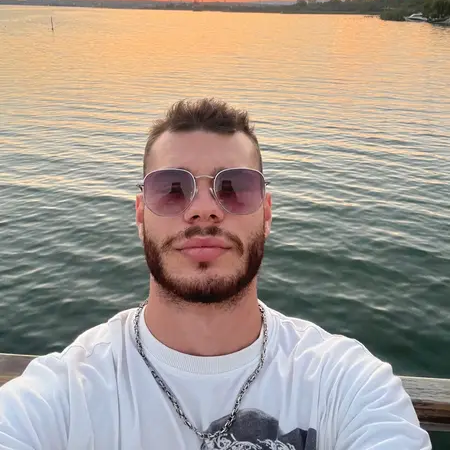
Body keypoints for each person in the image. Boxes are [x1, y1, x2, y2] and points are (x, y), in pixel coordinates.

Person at [0, 98, 431, 449]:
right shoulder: (65, 394)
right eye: (172, 189)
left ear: (266, 214)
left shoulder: (346, 383)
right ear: (140, 216)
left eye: (234, 187)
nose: (203, 208)